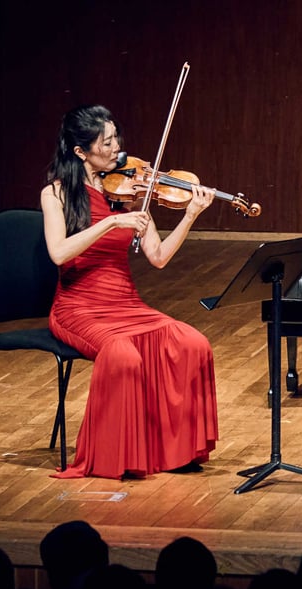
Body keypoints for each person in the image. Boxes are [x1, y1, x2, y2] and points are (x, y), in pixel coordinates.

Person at [42, 104, 219, 479]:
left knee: (192, 343)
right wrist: (112, 224)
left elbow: (157, 257)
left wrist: (190, 216)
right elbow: (59, 253)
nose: (117, 148)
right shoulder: (55, 194)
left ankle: (176, 453)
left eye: (115, 138)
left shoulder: (126, 192)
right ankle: (114, 457)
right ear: (80, 152)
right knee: (122, 355)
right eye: (105, 143)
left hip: (125, 303)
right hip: (78, 308)